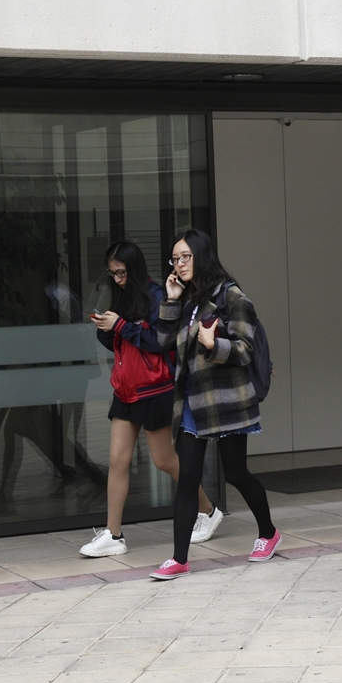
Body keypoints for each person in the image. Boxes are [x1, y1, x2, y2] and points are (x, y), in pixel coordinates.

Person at [149, 229, 279, 580]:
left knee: (235, 472)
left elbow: (244, 350)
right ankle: (179, 558)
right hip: (192, 401)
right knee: (188, 477)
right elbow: (162, 341)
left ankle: (268, 532)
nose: (178, 264)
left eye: (185, 257)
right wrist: (171, 299)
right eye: (175, 258)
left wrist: (213, 344)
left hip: (227, 402)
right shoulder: (186, 299)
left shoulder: (231, 295)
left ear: (201, 256)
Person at [80, 240, 218, 558]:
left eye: (122, 272)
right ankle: (113, 535)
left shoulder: (158, 295)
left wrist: (122, 326)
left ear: (135, 267)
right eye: (112, 274)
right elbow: (121, 343)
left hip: (154, 389)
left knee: (164, 460)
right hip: (126, 389)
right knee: (117, 460)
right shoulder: (121, 294)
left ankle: (208, 511)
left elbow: (160, 342)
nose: (117, 279)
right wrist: (105, 328)